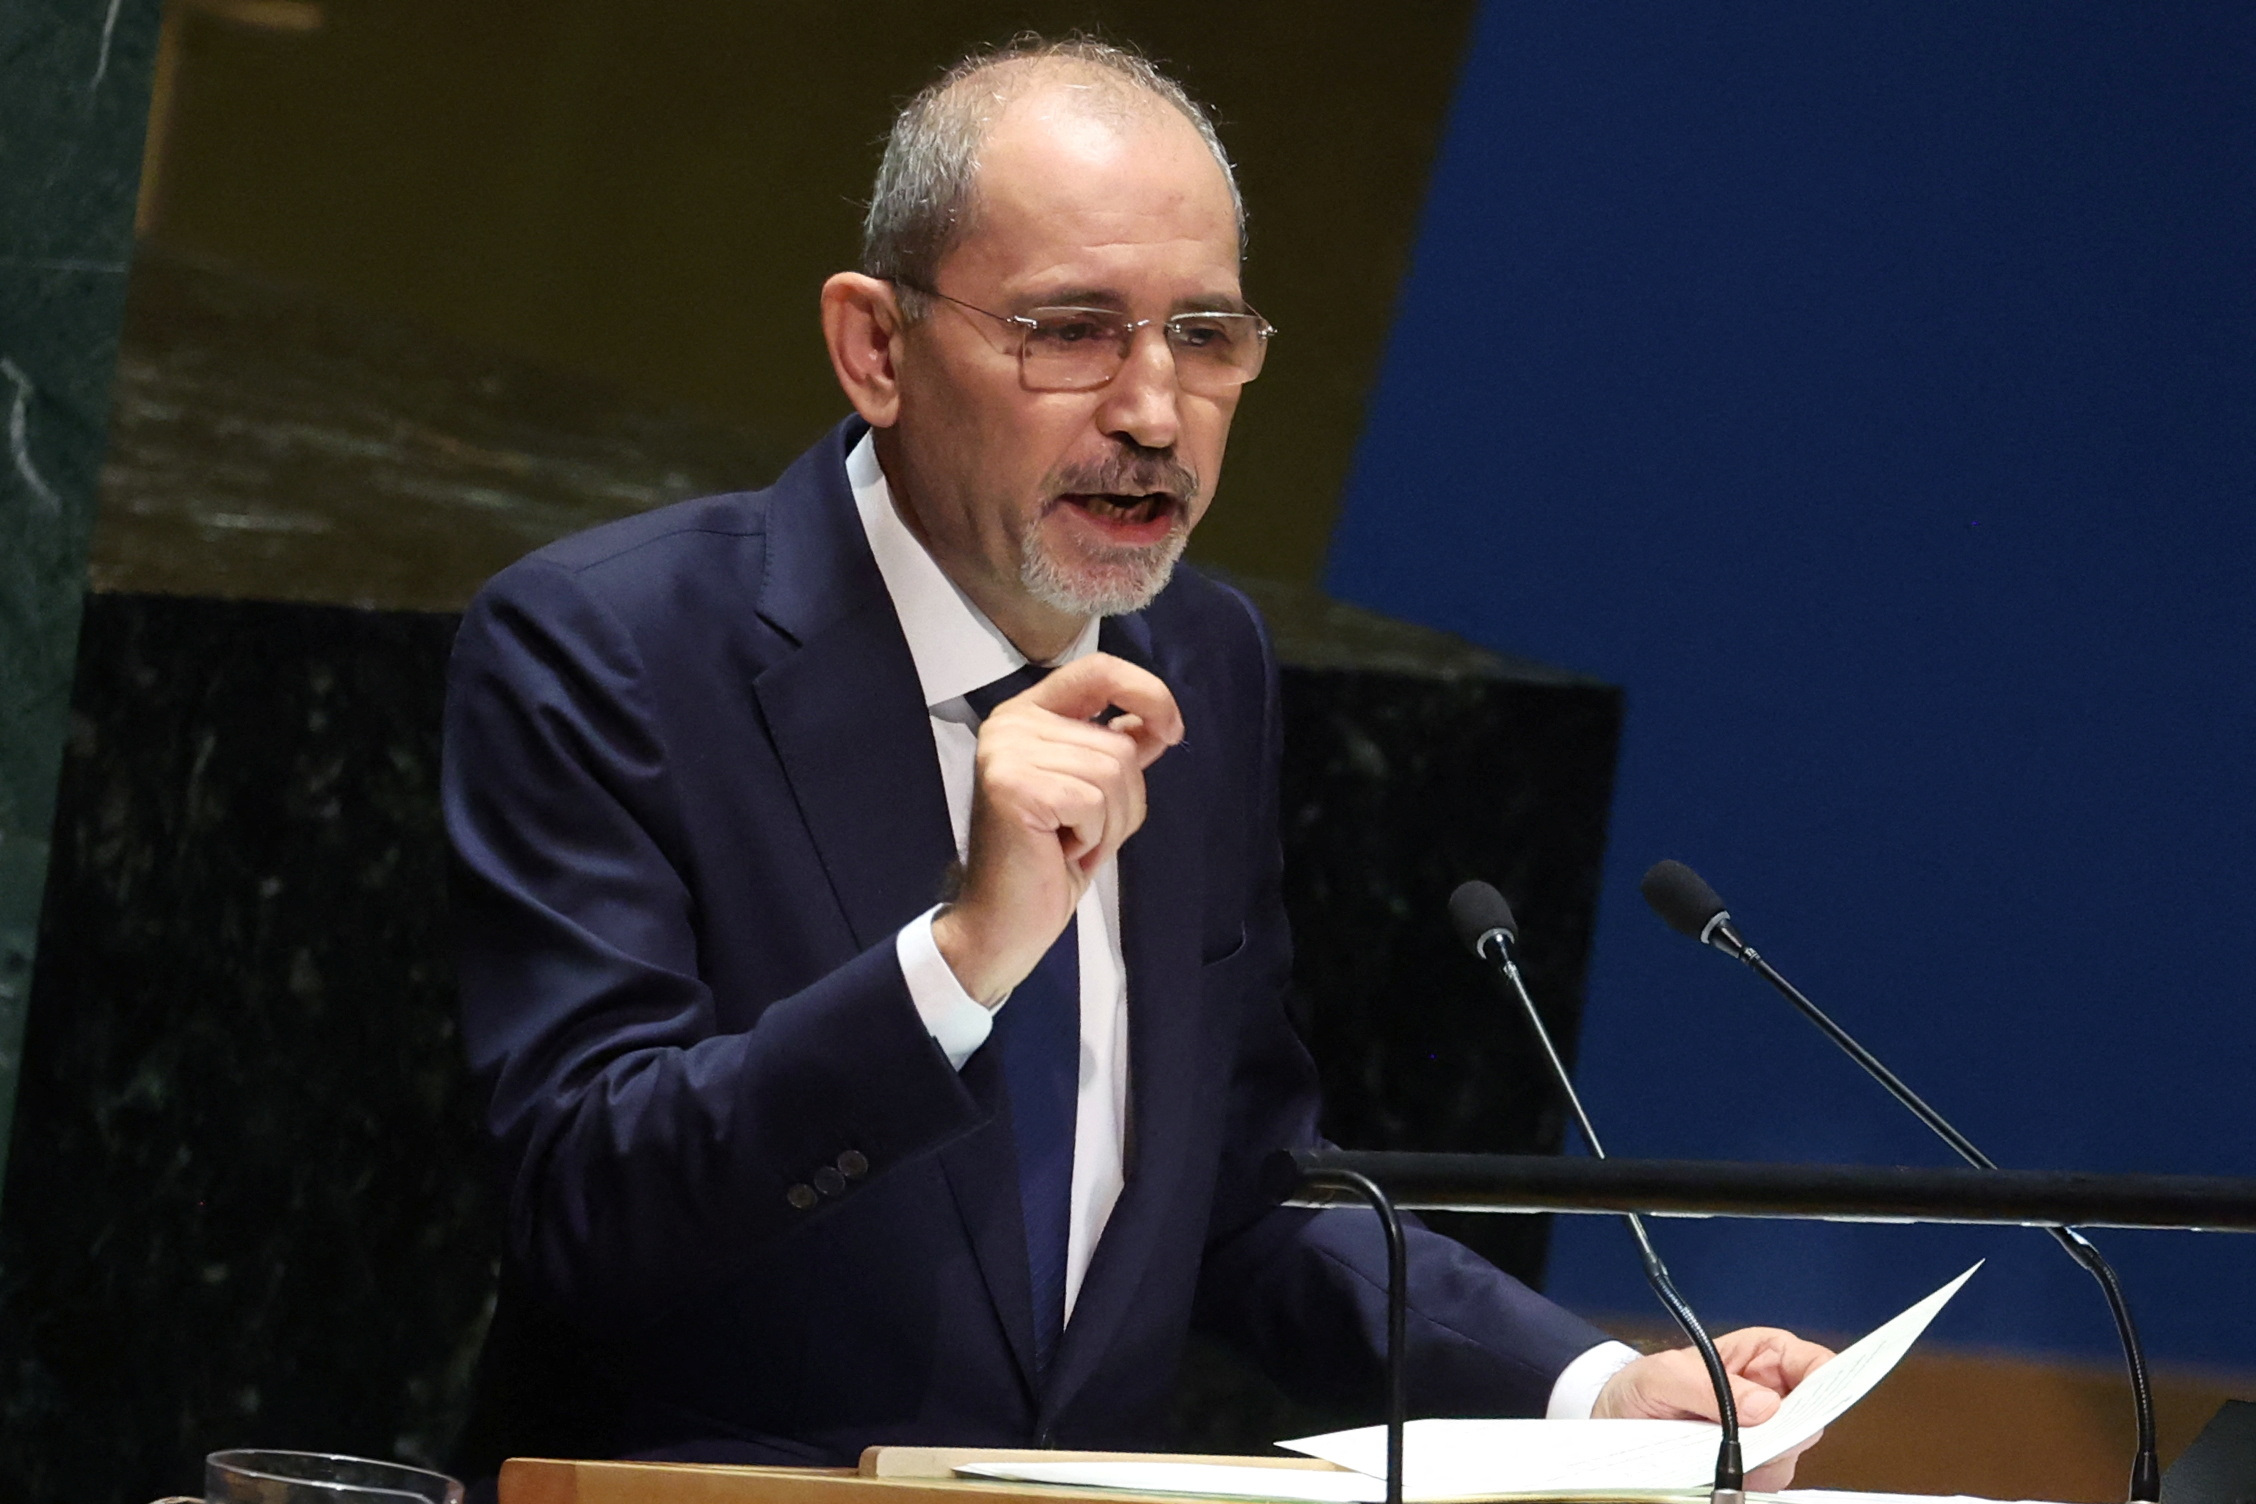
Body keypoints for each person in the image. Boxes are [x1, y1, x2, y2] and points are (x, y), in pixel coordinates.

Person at [443, 36, 1832, 1483]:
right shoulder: (613, 647)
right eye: (1073, 329)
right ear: (876, 348)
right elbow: (583, 1209)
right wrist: (961, 961)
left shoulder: (1199, 662)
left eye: (1207, 335)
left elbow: (1238, 1190)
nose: (1153, 411)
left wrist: (1597, 1386)